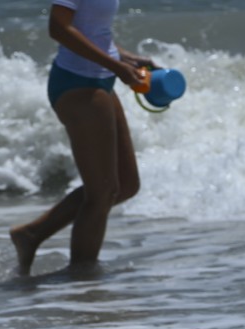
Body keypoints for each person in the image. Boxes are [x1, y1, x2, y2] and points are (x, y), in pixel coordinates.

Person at [10, 0, 156, 278]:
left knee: (125, 185)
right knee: (101, 192)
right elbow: (59, 28)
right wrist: (115, 64)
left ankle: (32, 234)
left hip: (100, 80)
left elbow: (93, 29)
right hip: (77, 84)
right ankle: (82, 283)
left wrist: (125, 58)